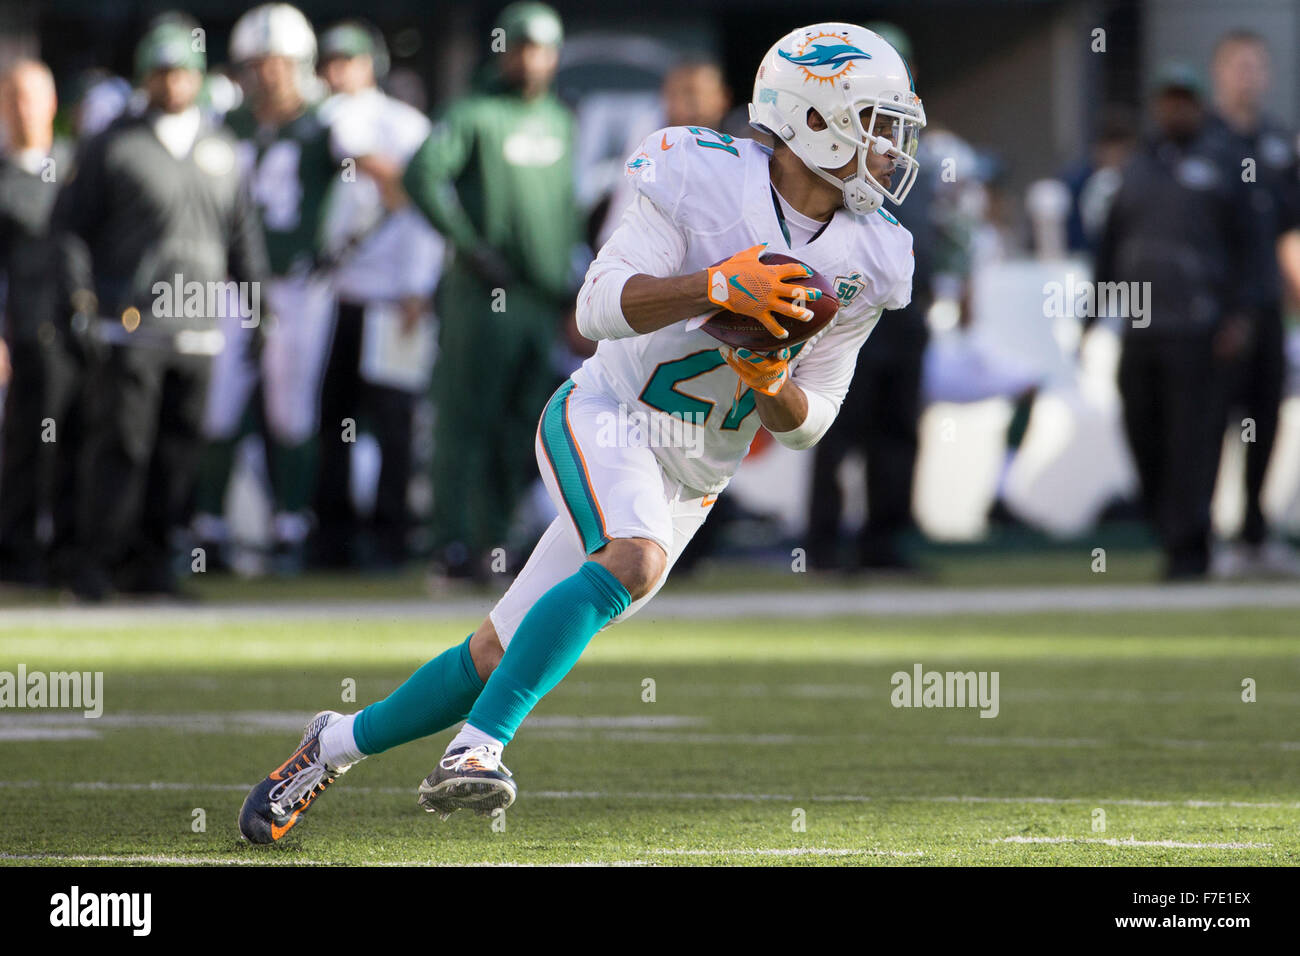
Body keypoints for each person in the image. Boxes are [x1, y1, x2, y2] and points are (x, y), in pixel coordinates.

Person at [237, 22, 923, 843]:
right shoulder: (699, 173)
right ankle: (476, 753)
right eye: (876, 122)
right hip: (607, 414)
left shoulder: (875, 256)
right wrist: (713, 285)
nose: (890, 147)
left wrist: (773, 384)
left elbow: (814, 422)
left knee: (496, 654)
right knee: (632, 557)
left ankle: (331, 746)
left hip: (693, 479)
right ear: (814, 118)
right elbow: (596, 305)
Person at [54, 17, 269, 600]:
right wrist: (81, 299)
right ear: (145, 77)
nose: (172, 83)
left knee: (178, 454)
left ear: (197, 78)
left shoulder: (222, 149)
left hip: (200, 328)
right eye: (161, 72)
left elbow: (243, 238)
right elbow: (70, 229)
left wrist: (258, 309)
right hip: (132, 324)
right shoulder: (112, 143)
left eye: (181, 72)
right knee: (120, 447)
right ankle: (98, 564)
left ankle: (155, 565)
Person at [402, 1, 580, 581]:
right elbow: (422, 173)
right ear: (504, 52)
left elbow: (565, 211)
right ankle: (450, 544)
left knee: (521, 429)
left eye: (543, 49)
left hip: (540, 299)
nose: (532, 60)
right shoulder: (473, 113)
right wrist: (469, 245)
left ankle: (494, 542)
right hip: (484, 295)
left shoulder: (561, 120)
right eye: (522, 47)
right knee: (464, 422)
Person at [194, 3, 345, 574]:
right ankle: (206, 526)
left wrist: (337, 249)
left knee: (291, 409)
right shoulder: (225, 124)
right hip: (234, 284)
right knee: (218, 403)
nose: (266, 74)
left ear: (300, 63)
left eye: (277, 63)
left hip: (298, 284)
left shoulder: (329, 123)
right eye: (256, 63)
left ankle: (290, 525)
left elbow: (373, 181)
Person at [1094, 64, 1253, 580]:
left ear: (1199, 106)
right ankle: (1167, 529)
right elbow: (1111, 244)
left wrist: (1239, 314)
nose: (1174, 110)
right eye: (1167, 101)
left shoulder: (1225, 163)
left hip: (1198, 325)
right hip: (1141, 324)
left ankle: (1191, 546)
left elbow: (1248, 249)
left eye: (1184, 101)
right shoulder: (1138, 165)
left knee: (1193, 439)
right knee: (1144, 431)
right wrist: (1093, 314)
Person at [309, 19, 445, 569]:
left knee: (393, 422)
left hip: (391, 295)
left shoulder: (403, 123)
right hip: (336, 293)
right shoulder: (318, 117)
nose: (339, 72)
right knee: (333, 419)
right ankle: (333, 535)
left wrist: (417, 284)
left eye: (350, 60)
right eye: (332, 61)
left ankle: (391, 536)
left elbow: (424, 210)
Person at [1204, 31, 1299, 576]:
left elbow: (1290, 230)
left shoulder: (1277, 144)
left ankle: (1256, 532)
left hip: (1265, 306)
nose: (1249, 76)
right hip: (1217, 310)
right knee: (1212, 422)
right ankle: (1207, 532)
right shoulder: (1207, 142)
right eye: (1239, 65)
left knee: (1264, 420)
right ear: (1221, 72)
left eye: (1257, 67)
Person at [0, 60, 75, 588]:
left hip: (77, 335)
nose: (23, 109)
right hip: (22, 334)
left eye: (32, 97)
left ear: (52, 104)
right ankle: (18, 552)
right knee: (25, 447)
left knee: (76, 444)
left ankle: (69, 551)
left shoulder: (77, 168)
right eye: (13, 98)